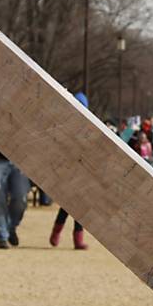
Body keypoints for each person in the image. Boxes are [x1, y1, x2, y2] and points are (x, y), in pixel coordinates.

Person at [48, 92, 90, 250]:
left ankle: (71, 236)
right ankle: (63, 235)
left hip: (83, 170)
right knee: (69, 205)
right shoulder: (64, 124)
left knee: (78, 206)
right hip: (68, 169)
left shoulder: (88, 126)